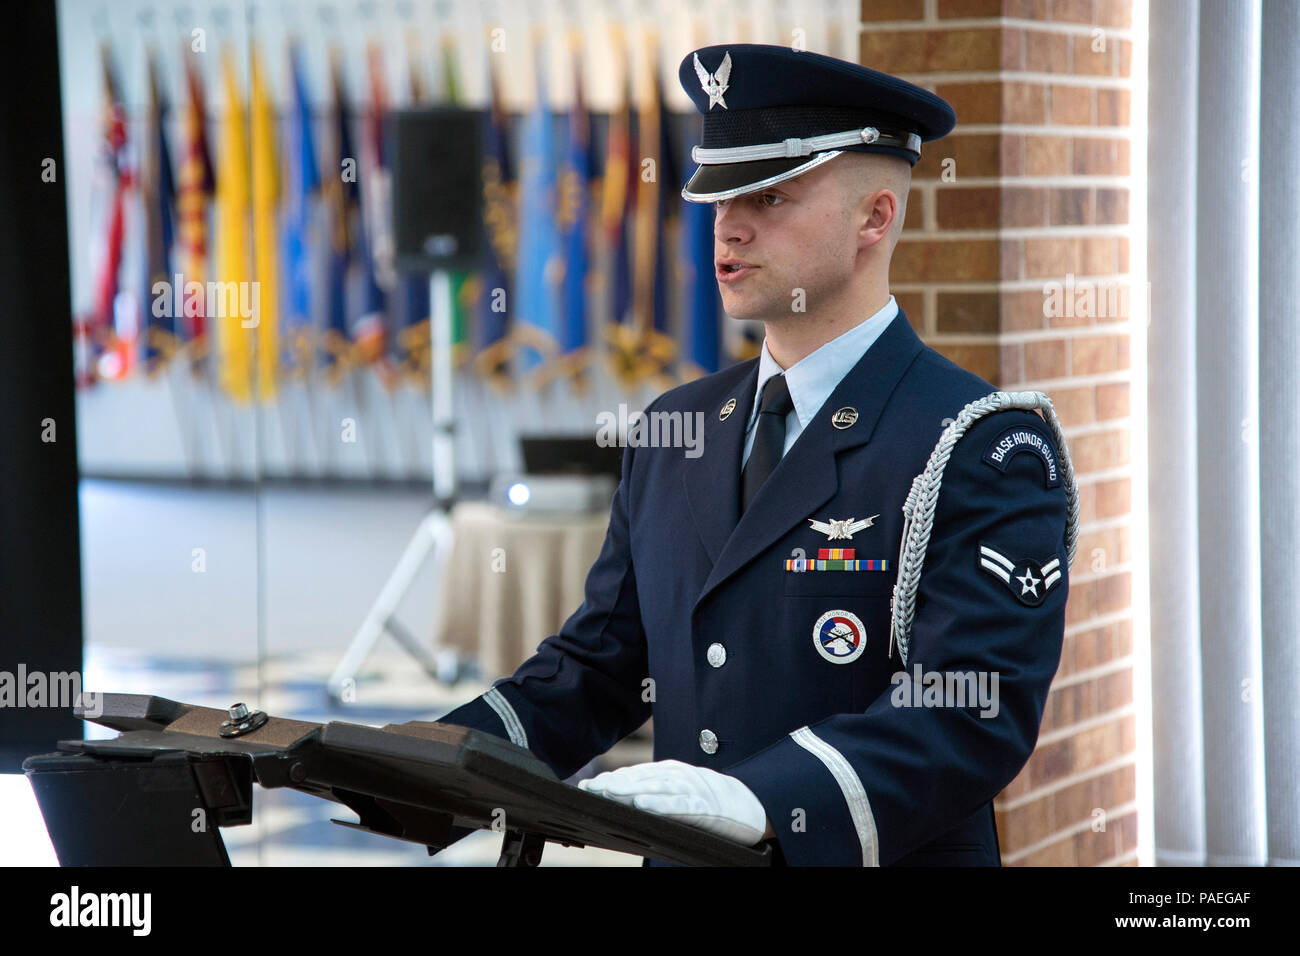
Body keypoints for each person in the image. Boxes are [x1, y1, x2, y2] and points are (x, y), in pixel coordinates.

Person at [436, 43, 1077, 866]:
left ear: (874, 218)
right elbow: (600, 667)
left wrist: (761, 798)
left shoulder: (979, 442)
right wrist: (436, 759)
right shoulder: (679, 426)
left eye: (769, 196)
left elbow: (967, 709)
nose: (729, 224)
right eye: (718, 195)